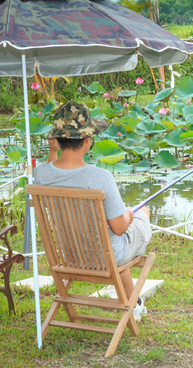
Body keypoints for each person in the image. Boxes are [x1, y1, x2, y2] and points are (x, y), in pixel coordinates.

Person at [34, 101, 152, 306]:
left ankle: (134, 304)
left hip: (70, 256)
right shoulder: (101, 178)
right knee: (143, 213)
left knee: (111, 238)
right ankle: (134, 304)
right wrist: (130, 214)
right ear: (88, 140)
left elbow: (50, 167)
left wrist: (54, 150)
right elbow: (119, 227)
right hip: (106, 258)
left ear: (58, 140)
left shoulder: (41, 175)